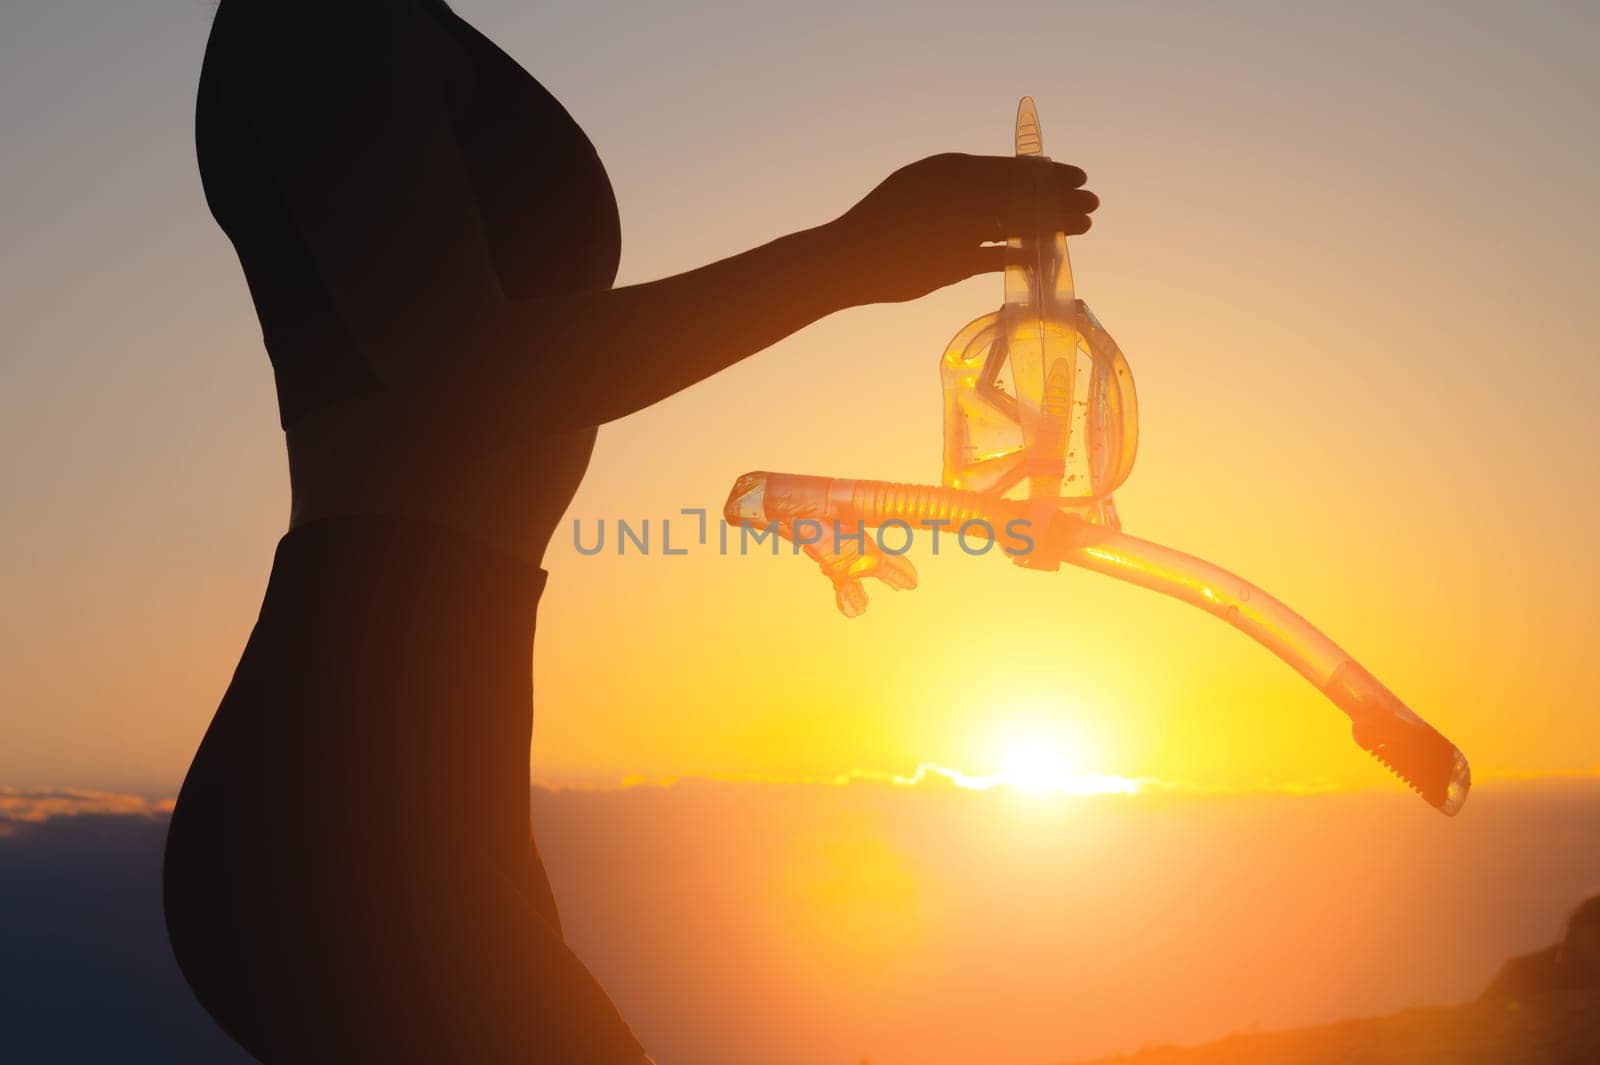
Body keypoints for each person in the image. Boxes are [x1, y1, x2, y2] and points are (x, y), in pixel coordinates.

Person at [161, 1, 1099, 1061]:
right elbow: (474, 370)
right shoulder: (318, 23)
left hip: (433, 738)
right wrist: (846, 258)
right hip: (338, 790)